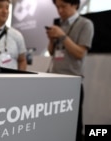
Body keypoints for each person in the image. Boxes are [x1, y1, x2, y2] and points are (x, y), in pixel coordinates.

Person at [45, 0, 94, 141]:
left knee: (74, 126)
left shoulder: (85, 24)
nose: (59, 10)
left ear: (74, 4)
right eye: (57, 7)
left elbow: (80, 53)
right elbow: (51, 52)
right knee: (53, 122)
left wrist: (62, 36)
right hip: (53, 81)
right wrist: (51, 40)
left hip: (72, 83)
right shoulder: (60, 24)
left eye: (63, 6)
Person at [0, 0, 27, 71]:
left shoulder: (17, 35)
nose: (5, 11)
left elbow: (22, 60)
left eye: (7, 8)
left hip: (11, 81)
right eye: (0, 7)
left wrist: (20, 78)